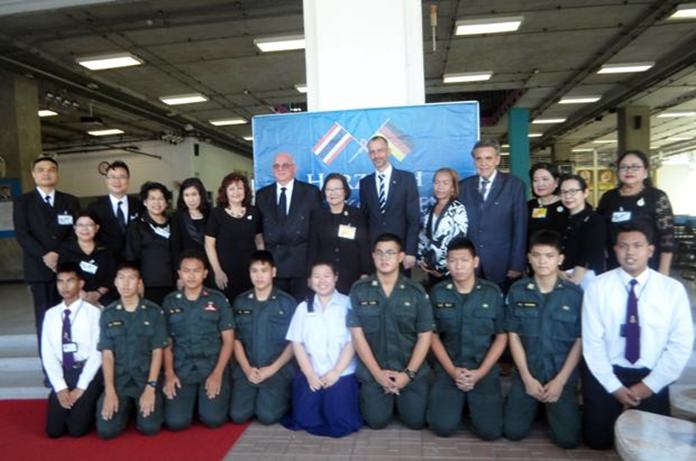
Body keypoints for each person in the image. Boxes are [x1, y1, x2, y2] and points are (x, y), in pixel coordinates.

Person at [581, 223, 694, 450]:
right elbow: (592, 343)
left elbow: (681, 345)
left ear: (650, 250)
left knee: (652, 442)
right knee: (598, 441)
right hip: (609, 371)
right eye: (623, 246)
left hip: (650, 373)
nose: (630, 252)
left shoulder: (671, 290)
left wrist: (648, 386)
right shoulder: (598, 287)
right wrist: (614, 386)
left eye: (637, 246)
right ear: (614, 250)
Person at [503, 230, 582, 449]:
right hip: (528, 374)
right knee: (513, 432)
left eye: (549, 256)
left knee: (568, 440)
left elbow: (579, 340)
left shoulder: (574, 295)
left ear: (560, 259)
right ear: (529, 257)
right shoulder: (518, 291)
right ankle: (536, 405)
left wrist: (560, 381)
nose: (542, 261)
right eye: (536, 255)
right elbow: (513, 335)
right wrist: (527, 378)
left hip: (560, 376)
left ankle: (549, 409)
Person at [347, 233, 433, 429]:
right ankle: (387, 399)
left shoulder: (416, 291)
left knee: (416, 421)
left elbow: (425, 335)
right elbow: (357, 335)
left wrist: (408, 374)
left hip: (409, 372)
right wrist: (377, 374)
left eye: (390, 253)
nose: (384, 258)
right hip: (375, 372)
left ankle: (401, 398)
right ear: (373, 257)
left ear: (401, 257)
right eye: (379, 253)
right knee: (376, 421)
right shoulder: (360, 290)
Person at [426, 238, 506, 439]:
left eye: (464, 260)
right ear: (447, 263)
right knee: (441, 427)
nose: (458, 266)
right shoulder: (438, 293)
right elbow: (432, 336)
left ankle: (470, 405)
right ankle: (460, 403)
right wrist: (452, 371)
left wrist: (480, 373)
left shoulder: (492, 292)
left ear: (475, 262)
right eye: (453, 260)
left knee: (490, 433)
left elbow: (502, 336)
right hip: (449, 370)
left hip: (483, 371)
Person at [283, 261, 362, 438]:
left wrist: (336, 372)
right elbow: (297, 343)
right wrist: (310, 374)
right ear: (310, 281)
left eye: (326, 276)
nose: (322, 281)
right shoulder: (303, 307)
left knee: (340, 421)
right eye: (316, 276)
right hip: (313, 372)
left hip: (342, 373)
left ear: (335, 278)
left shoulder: (348, 304)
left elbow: (353, 342)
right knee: (305, 419)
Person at [14, 157, 80, 351]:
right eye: (41, 170)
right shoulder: (23, 202)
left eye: (51, 169)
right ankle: (49, 369)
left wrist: (58, 254)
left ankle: (71, 365)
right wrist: (45, 255)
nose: (46, 173)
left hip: (66, 269)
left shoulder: (70, 201)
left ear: (57, 174)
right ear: (34, 175)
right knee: (45, 319)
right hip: (38, 270)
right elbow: (22, 234)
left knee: (70, 317)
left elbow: (76, 232)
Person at [162, 250, 234, 430]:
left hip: (211, 366)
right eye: (186, 270)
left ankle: (202, 401)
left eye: (196, 270)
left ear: (205, 273)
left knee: (213, 420)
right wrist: (169, 374)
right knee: (176, 423)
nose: (191, 275)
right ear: (179, 274)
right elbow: (166, 343)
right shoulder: (170, 301)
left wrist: (218, 374)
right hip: (182, 369)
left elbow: (228, 340)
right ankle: (189, 402)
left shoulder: (218, 300)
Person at [96, 262, 168, 439]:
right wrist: (110, 391)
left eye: (131, 278)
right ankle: (124, 407)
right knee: (106, 431)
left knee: (149, 428)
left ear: (139, 283)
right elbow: (107, 354)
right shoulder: (108, 313)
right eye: (121, 278)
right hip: (119, 381)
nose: (126, 284)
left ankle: (136, 408)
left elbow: (158, 351)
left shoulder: (154, 312)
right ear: (115, 282)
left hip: (145, 379)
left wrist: (151, 387)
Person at [229, 250, 296, 424]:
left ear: (273, 272)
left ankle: (280, 398)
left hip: (276, 371)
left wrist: (271, 369)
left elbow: (294, 343)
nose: (259, 276)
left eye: (264, 270)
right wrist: (246, 369)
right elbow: (236, 340)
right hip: (248, 370)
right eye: (254, 271)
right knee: (238, 416)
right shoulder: (241, 301)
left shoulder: (287, 303)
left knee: (267, 417)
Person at [41, 263, 102, 438]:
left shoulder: (94, 313)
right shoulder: (51, 314)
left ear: (80, 284)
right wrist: (60, 387)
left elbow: (97, 354)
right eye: (60, 281)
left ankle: (92, 404)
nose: (64, 286)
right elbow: (48, 353)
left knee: (77, 430)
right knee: (54, 431)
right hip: (64, 371)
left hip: (87, 372)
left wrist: (81, 388)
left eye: (70, 281)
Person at [458, 139, 527, 293]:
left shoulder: (514, 186)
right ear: (474, 160)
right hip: (470, 264)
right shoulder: (463, 187)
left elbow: (520, 227)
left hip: (501, 264)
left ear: (497, 160)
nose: (483, 163)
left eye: (488, 158)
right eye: (478, 158)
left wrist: (516, 264)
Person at [255, 153, 322, 301]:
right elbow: (258, 232)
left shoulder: (311, 193)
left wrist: (313, 269)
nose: (280, 169)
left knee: (302, 311)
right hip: (274, 267)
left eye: (285, 165)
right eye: (276, 166)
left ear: (294, 168)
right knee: (278, 312)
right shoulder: (262, 195)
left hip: (302, 266)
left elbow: (317, 233)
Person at [597, 150, 675, 274]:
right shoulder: (608, 198)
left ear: (645, 172)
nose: (629, 170)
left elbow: (667, 238)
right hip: (615, 265)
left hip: (649, 266)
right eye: (624, 167)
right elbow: (600, 232)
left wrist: (663, 273)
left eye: (635, 167)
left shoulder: (656, 197)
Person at [359, 136, 420, 271]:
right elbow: (364, 220)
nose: (376, 155)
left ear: (389, 152)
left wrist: (410, 251)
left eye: (380, 150)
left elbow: (414, 219)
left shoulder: (406, 179)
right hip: (375, 254)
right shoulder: (365, 183)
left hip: (400, 253)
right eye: (372, 152)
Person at [308, 173, 370, 294]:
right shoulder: (318, 216)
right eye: (329, 189)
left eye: (337, 189)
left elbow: (364, 246)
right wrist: (310, 275)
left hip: (352, 275)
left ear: (345, 191)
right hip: (325, 278)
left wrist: (365, 273)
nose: (333, 193)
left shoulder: (357, 215)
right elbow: (312, 248)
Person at [205, 173, 263, 302]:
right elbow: (209, 245)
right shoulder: (217, 213)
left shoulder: (254, 212)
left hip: (249, 272)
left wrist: (261, 268)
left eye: (239, 188)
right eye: (231, 189)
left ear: (245, 190)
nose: (236, 192)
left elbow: (259, 241)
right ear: (225, 192)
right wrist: (218, 271)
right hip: (224, 274)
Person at [124, 181, 174, 305]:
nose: (157, 203)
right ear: (145, 202)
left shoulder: (174, 223)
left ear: (166, 202)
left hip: (174, 283)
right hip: (149, 285)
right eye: (152, 199)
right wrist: (138, 281)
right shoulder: (137, 225)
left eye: (161, 198)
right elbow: (131, 257)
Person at [417, 167, 468, 285]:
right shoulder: (430, 209)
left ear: (453, 188)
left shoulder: (458, 210)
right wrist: (422, 260)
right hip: (431, 269)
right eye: (437, 182)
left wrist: (443, 268)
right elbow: (423, 237)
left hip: (451, 270)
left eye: (445, 183)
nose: (440, 186)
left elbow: (458, 242)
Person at [87, 160, 143, 261]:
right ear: (106, 180)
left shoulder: (139, 205)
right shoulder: (94, 208)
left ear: (128, 180)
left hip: (135, 262)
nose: (117, 181)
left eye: (122, 177)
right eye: (112, 177)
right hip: (106, 261)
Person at [59, 210, 117, 306]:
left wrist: (98, 293)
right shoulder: (66, 250)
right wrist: (82, 294)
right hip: (75, 298)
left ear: (97, 228)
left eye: (89, 225)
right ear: (74, 228)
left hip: (104, 299)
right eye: (80, 225)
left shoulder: (106, 250)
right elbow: (63, 276)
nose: (85, 229)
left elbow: (111, 276)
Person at [558, 175, 606, 288]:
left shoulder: (595, 219)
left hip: (586, 277)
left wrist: (576, 278)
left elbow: (591, 251)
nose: (568, 196)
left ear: (585, 193)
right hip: (562, 275)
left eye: (573, 191)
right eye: (563, 192)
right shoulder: (560, 219)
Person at [171, 177, 210, 272]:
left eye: (194, 194)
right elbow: (175, 248)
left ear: (201, 195)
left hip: (209, 268)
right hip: (188, 270)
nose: (191, 199)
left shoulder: (211, 215)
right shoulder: (177, 218)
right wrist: (179, 274)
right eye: (186, 195)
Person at [527, 162, 567, 240]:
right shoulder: (528, 206)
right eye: (535, 180)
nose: (540, 184)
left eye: (545, 179)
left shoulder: (566, 205)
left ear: (556, 182)